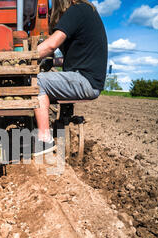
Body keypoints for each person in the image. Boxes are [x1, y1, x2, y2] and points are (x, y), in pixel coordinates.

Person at [34, 0, 108, 155]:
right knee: (44, 79)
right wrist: (52, 61)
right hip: (88, 79)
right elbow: (76, 58)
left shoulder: (77, 10)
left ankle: (44, 140)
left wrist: (24, 57)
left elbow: (51, 45)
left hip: (85, 80)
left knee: (38, 81)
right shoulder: (86, 11)